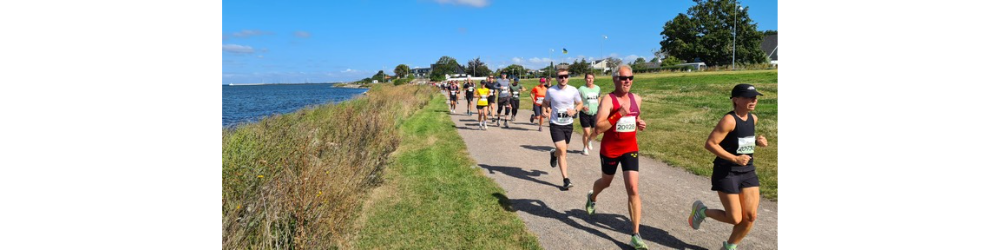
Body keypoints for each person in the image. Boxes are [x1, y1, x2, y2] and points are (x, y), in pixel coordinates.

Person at [689, 83, 768, 250]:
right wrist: (734, 158)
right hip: (726, 172)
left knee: (750, 216)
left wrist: (757, 141)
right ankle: (702, 211)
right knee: (734, 218)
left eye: (755, 97)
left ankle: (729, 247)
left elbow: (738, 141)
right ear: (736, 99)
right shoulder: (729, 120)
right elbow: (710, 144)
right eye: (748, 97)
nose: (753, 100)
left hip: (747, 171)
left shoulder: (753, 118)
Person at [584, 65, 649, 249]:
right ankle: (593, 196)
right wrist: (617, 114)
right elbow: (598, 128)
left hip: (630, 148)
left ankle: (635, 234)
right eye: (623, 78)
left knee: (633, 189)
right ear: (615, 80)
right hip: (610, 150)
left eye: (630, 77)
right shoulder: (608, 100)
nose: (627, 81)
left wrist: (639, 123)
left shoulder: (637, 99)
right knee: (606, 182)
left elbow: (634, 118)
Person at [542, 66, 583, 190]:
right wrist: (545, 110)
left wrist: (575, 110)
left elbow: (580, 103)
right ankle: (566, 179)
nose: (563, 78)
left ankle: (554, 154)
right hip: (555, 123)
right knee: (562, 150)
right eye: (561, 76)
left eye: (566, 76)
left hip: (568, 124)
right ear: (557, 78)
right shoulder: (551, 90)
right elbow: (545, 102)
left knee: (562, 151)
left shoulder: (573, 90)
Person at [577, 73, 601, 156]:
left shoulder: (597, 88)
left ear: (594, 79)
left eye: (592, 78)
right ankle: (585, 148)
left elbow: (599, 97)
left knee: (596, 131)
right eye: (588, 78)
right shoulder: (581, 89)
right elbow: (576, 100)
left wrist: (600, 106)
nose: (590, 80)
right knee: (586, 132)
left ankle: (590, 140)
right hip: (585, 114)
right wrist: (582, 106)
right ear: (585, 79)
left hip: (595, 113)